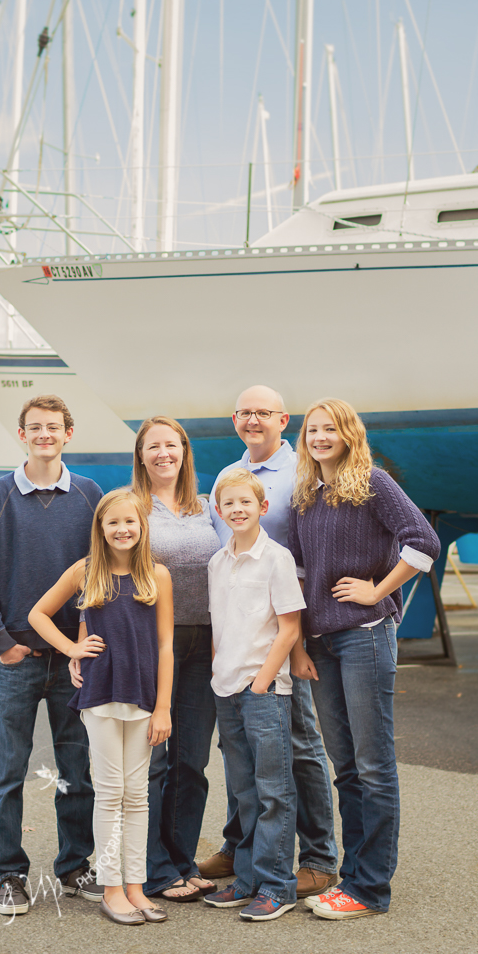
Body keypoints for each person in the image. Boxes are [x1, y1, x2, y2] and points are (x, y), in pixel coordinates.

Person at [289, 398, 440, 919]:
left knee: (374, 766)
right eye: (313, 430)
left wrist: (379, 591)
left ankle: (370, 888)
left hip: (365, 637)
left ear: (349, 434)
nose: (321, 437)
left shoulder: (372, 481)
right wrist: (301, 643)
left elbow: (423, 541)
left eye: (331, 429)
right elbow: (302, 574)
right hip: (323, 645)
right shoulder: (308, 495)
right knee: (347, 767)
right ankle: (352, 879)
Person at [0, 394, 104, 916]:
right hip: (20, 659)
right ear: (21, 434)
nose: (44, 434)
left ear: (68, 433)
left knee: (77, 769)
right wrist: (2, 643)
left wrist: (84, 644)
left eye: (54, 427)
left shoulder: (89, 494)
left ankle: (75, 867)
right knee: (9, 772)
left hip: (73, 660)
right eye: (35, 427)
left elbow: (101, 575)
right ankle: (9, 875)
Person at [201, 385, 339, 901]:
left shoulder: (302, 472)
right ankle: (248, 858)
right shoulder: (227, 476)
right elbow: (221, 548)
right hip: (237, 637)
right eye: (244, 412)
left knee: (296, 752)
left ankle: (317, 859)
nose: (252, 420)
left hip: (282, 636)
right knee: (246, 769)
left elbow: (306, 553)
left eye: (263, 412)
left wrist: (295, 647)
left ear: (284, 419)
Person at [28, 489, 175, 926]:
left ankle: (136, 886)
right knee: (111, 793)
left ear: (142, 526)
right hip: (101, 694)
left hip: (145, 695)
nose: (122, 529)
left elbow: (166, 644)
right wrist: (72, 646)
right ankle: (112, 889)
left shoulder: (158, 576)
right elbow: (38, 614)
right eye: (113, 523)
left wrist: (164, 705)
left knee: (139, 794)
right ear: (101, 529)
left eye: (130, 522)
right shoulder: (85, 571)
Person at [203, 470, 306, 921]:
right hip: (225, 687)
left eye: (246, 502)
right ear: (220, 512)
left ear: (262, 508)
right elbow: (219, 628)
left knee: (273, 792)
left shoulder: (276, 558)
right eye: (229, 504)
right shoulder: (216, 563)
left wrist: (262, 681)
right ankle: (247, 880)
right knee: (244, 792)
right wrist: (217, 673)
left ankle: (278, 886)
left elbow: (290, 628)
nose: (238, 510)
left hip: (262, 690)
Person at [133, 417, 222, 901]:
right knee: (153, 761)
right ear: (141, 456)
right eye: (154, 447)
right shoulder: (132, 508)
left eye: (172, 445)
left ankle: (182, 860)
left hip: (204, 645)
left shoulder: (207, 508)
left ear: (184, 451)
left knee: (192, 762)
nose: (163, 453)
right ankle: (153, 867)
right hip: (153, 644)